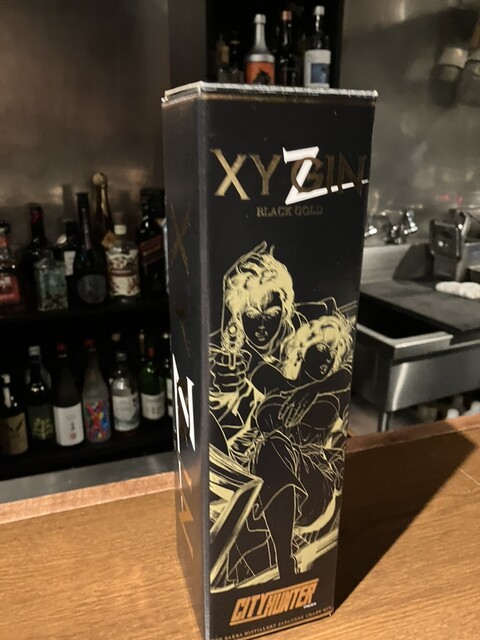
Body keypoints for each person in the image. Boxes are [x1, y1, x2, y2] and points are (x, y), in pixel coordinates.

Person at [208, 242, 355, 587]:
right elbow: (255, 384)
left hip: (307, 480)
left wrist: (313, 388)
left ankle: (283, 564)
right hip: (252, 472)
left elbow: (345, 366)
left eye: (271, 315)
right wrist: (220, 385)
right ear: (238, 315)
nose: (261, 326)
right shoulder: (230, 350)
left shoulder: (310, 333)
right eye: (251, 316)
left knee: (274, 450)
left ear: (285, 310)